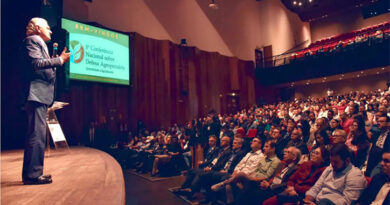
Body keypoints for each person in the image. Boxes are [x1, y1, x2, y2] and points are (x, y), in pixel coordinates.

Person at [21, 17, 70, 185]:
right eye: (47, 27)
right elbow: (37, 63)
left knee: (38, 135)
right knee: (36, 135)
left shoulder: (38, 42)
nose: (50, 30)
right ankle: (32, 176)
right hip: (36, 94)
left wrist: (56, 61)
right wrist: (60, 60)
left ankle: (33, 173)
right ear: (37, 28)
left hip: (40, 95)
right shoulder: (32, 40)